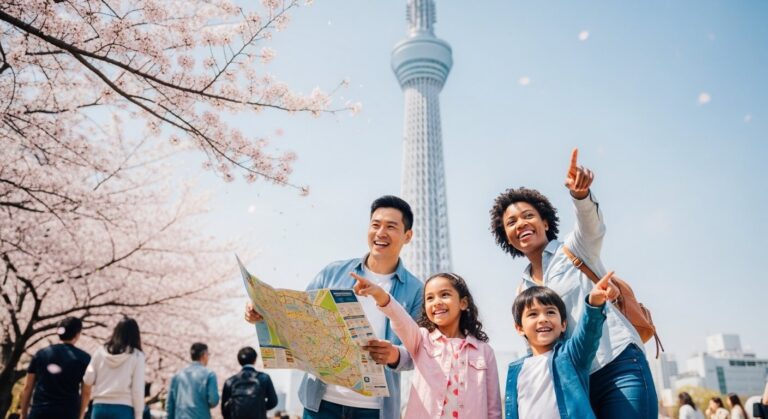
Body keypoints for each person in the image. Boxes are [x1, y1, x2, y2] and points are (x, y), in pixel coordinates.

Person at [489, 148, 658, 418]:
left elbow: (591, 225)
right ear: (506, 236)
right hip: (574, 382)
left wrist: (580, 196)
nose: (521, 224)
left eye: (528, 216)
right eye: (511, 222)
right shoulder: (523, 289)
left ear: (545, 222)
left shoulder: (574, 249)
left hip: (617, 363)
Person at [245, 195, 424, 419]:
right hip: (321, 403)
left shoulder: (417, 290)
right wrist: (262, 312)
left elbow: (419, 352)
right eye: (375, 225)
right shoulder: (333, 273)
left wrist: (395, 355)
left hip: (374, 410)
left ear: (408, 236)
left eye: (391, 226)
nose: (380, 233)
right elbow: (297, 317)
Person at [353, 271, 502, 418]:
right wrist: (379, 294)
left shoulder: (484, 351)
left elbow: (493, 408)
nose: (437, 302)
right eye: (430, 298)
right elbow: (400, 319)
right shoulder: (422, 340)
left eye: (445, 294)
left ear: (463, 303)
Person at [505, 270, 618, 419]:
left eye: (550, 312)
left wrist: (594, 304)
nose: (543, 319)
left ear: (563, 324)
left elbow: (588, 333)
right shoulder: (516, 370)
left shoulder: (571, 356)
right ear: (519, 328)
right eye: (533, 314)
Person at [19, 317, 91, 419]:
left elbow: (27, 387)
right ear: (77, 334)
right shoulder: (84, 358)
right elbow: (86, 392)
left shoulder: (41, 354)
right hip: (67, 413)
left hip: (40, 411)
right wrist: (81, 415)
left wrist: (23, 414)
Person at [82, 317, 145, 419]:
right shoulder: (137, 356)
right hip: (123, 408)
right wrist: (139, 415)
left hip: (99, 406)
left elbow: (88, 378)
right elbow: (137, 389)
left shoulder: (100, 352)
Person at [221, 346, 277, 419]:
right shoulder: (264, 378)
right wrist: (259, 407)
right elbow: (273, 401)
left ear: (239, 361)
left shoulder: (230, 381)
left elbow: (224, 408)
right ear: (255, 360)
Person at [166, 342, 219, 419]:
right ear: (204, 355)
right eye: (208, 354)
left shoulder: (177, 375)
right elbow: (213, 401)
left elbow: (170, 404)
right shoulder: (209, 374)